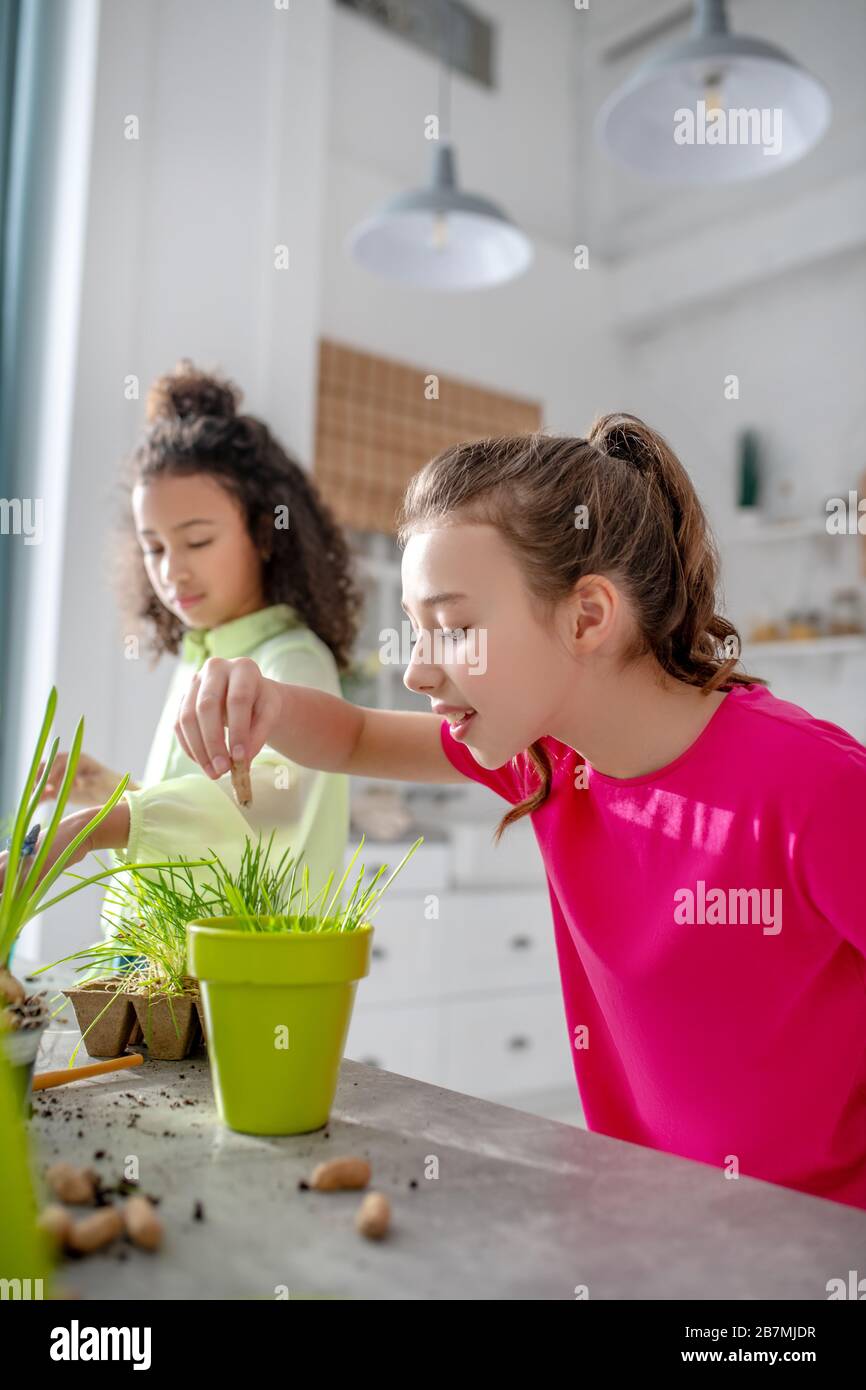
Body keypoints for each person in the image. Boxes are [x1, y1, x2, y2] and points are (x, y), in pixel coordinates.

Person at [170, 413, 866, 1210]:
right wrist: (253, 697)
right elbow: (357, 733)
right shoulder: (551, 760)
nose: (418, 672)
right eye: (414, 631)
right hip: (653, 1228)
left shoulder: (817, 786)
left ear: (587, 617)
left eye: (456, 626)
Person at [17, 360, 361, 930]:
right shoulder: (200, 657)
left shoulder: (291, 661)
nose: (172, 572)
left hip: (240, 984)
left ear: (263, 533)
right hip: (167, 978)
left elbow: (264, 816)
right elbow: (204, 819)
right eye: (153, 548)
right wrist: (111, 793)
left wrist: (91, 831)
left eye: (197, 540)